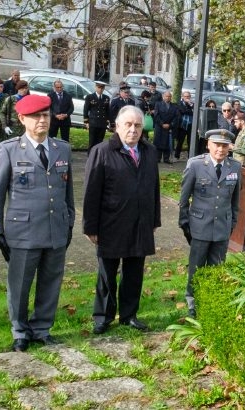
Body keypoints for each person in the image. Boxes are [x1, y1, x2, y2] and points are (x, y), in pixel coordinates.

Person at [0, 94, 76, 352]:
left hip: (55, 227)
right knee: (19, 284)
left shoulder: (63, 148)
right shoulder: (9, 149)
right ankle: (20, 331)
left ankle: (41, 329)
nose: (42, 120)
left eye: (45, 115)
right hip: (23, 230)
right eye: (35, 116)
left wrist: (70, 219)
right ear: (22, 119)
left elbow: (68, 189)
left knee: (51, 281)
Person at [84, 105, 160, 334]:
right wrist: (90, 226)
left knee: (134, 272)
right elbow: (91, 192)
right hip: (111, 223)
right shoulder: (102, 151)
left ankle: (129, 315)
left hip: (140, 222)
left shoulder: (149, 151)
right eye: (128, 124)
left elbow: (154, 187)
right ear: (117, 126)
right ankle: (103, 317)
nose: (133, 130)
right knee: (107, 273)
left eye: (138, 125)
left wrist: (154, 219)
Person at [178, 129, 243, 317]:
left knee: (217, 267)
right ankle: (192, 301)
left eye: (225, 146)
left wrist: (232, 223)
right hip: (199, 226)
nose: (221, 150)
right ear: (208, 144)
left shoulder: (235, 167)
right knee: (196, 267)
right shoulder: (196, 165)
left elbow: (235, 200)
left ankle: (211, 298)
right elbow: (184, 200)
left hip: (222, 226)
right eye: (217, 145)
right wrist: (185, 224)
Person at [154, 91, 180, 164]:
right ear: (163, 96)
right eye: (166, 96)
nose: (168, 98)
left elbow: (176, 117)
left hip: (169, 128)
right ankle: (157, 158)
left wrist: (170, 124)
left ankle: (166, 158)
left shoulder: (174, 106)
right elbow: (156, 115)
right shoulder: (158, 104)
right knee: (158, 143)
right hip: (160, 127)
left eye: (169, 96)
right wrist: (162, 124)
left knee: (168, 143)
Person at [83, 82, 110, 150]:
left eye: (102, 88)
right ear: (96, 87)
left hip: (102, 123)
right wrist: (86, 122)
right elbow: (86, 110)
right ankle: (91, 157)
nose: (100, 89)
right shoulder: (90, 97)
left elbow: (108, 111)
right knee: (92, 142)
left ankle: (98, 157)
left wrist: (107, 121)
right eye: (99, 87)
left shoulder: (106, 98)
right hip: (93, 123)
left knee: (100, 142)